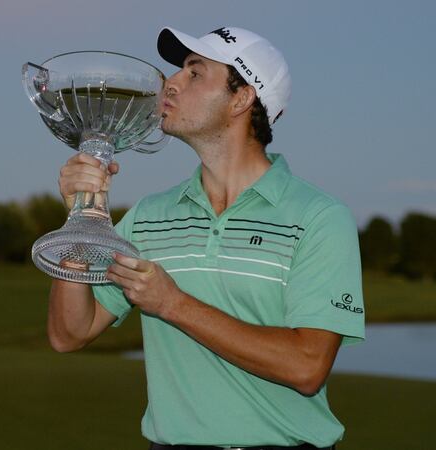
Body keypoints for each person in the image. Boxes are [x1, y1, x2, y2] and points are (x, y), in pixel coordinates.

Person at [47, 26, 365, 450]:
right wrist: (80, 218)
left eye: (195, 73)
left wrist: (172, 303)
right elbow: (69, 333)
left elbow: (307, 367)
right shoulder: (150, 216)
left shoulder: (319, 217)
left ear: (241, 99)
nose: (171, 83)